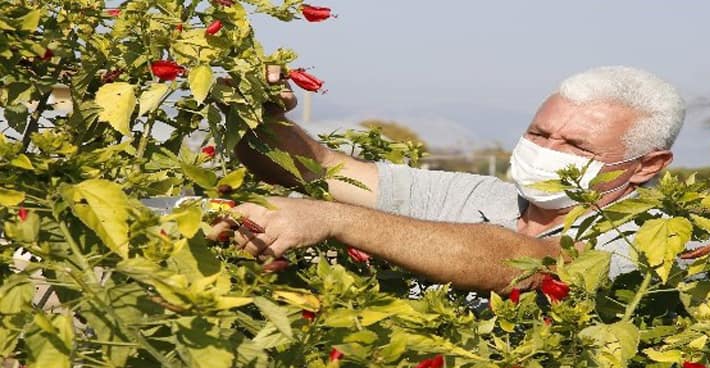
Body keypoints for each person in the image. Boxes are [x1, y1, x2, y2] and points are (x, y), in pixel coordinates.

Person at [208, 66, 685, 293]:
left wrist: (334, 219)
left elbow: (526, 262)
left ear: (647, 165)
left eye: (577, 146)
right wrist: (255, 108)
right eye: (539, 133)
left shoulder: (659, 237)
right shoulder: (478, 194)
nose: (546, 151)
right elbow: (319, 169)